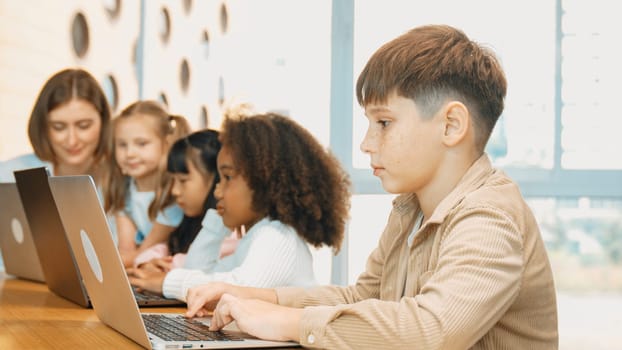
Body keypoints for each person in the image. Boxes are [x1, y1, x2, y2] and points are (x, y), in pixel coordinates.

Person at [184, 25, 559, 349]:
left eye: (383, 122)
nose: (366, 143)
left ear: (450, 126)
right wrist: (253, 297)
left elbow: (432, 330)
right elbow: (362, 297)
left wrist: (283, 322)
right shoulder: (411, 207)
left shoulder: (489, 216)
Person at [128, 109, 351, 301]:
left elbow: (236, 290)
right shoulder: (255, 236)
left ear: (263, 180)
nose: (217, 190)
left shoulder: (278, 236)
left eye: (227, 178)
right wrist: (216, 222)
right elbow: (199, 271)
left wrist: (167, 282)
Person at [131, 129, 237, 270]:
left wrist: (166, 266)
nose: (175, 191)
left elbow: (200, 261)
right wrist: (146, 264)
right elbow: (164, 248)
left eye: (183, 180)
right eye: (173, 181)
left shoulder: (232, 229)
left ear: (216, 178)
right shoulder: (188, 221)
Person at [103, 100, 190, 267]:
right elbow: (126, 251)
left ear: (166, 144)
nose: (129, 153)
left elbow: (142, 252)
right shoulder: (125, 189)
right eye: (122, 145)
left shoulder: (173, 195)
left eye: (141, 144)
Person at [0, 68, 112, 183]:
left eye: (83, 126)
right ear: (43, 126)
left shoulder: (124, 180)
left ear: (103, 122)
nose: (72, 141)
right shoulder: (7, 176)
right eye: (58, 127)